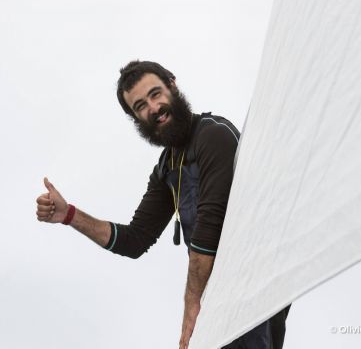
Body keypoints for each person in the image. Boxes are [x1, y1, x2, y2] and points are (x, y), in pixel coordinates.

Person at [35, 60, 290, 349]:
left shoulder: (213, 135)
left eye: (156, 94)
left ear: (172, 84)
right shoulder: (166, 166)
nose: (153, 108)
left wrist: (191, 309)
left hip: (250, 291)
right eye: (141, 106)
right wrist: (69, 214)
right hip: (218, 300)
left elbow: (210, 230)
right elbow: (134, 239)